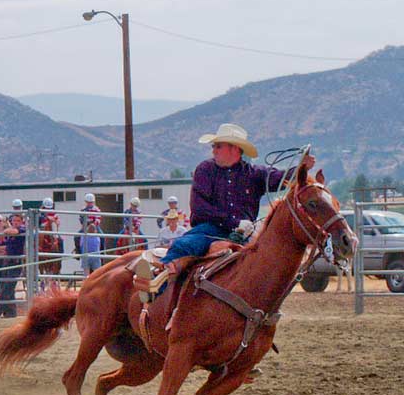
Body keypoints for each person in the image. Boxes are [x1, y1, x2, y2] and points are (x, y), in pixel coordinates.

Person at [134, 123, 315, 297]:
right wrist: (235, 222)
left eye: (218, 146)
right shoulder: (205, 170)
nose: (214, 150)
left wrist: (300, 168)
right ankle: (156, 284)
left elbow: (280, 179)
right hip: (209, 229)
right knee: (185, 245)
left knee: (265, 260)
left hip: (245, 234)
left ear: (234, 149)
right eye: (214, 146)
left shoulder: (255, 174)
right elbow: (200, 208)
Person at [0, 211, 26, 317]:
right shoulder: (9, 232)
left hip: (16, 263)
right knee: (8, 288)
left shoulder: (22, 229)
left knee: (7, 289)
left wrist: (3, 231)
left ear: (21, 222)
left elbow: (13, 231)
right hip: (8, 262)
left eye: (18, 220)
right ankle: (11, 313)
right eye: (14, 220)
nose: (16, 222)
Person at [80, 194, 103, 276]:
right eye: (88, 202)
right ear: (86, 202)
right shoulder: (83, 210)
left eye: (91, 202)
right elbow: (81, 219)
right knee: (76, 236)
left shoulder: (96, 210)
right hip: (85, 227)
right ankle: (78, 252)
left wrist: (93, 224)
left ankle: (102, 252)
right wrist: (86, 224)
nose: (90, 204)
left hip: (95, 227)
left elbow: (98, 219)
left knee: (102, 236)